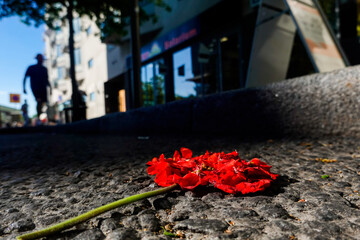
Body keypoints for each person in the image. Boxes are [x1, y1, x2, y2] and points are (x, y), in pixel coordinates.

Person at [23, 54, 52, 118]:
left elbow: (47, 80)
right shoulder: (32, 68)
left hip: (43, 88)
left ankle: (44, 117)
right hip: (35, 88)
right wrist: (24, 88)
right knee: (39, 101)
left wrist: (50, 89)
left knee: (44, 102)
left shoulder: (44, 69)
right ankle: (39, 117)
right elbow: (25, 77)